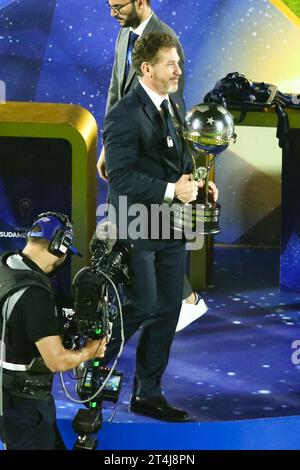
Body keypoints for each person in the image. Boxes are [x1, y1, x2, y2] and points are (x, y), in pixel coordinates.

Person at [103, 33, 218, 421]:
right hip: (135, 223)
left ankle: (147, 394)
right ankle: (95, 364)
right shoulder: (123, 114)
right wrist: (172, 189)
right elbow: (119, 177)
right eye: (171, 64)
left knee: (168, 307)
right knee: (142, 304)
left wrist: (198, 185)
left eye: (179, 64)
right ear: (147, 68)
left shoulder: (175, 103)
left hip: (170, 223)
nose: (179, 71)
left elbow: (179, 159)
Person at [98, 0, 207, 319]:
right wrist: (109, 143)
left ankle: (185, 300)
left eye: (118, 5)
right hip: (125, 145)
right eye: (108, 5)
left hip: (149, 153)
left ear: (141, 2)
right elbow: (115, 93)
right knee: (127, 223)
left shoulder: (166, 41)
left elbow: (169, 107)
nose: (112, 12)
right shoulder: (125, 34)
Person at [0, 212, 107, 450]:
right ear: (61, 245)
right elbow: (57, 361)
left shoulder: (4, 265)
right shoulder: (35, 294)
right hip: (25, 406)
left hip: (8, 398)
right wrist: (90, 351)